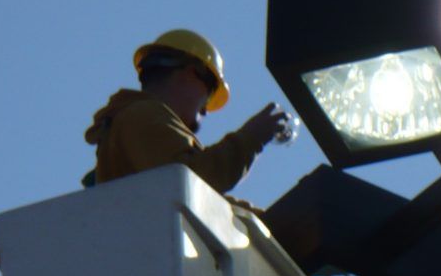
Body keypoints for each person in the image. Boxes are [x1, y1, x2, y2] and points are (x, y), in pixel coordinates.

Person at [83, 29, 289, 212]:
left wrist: (264, 221)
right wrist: (251, 138)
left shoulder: (138, 125)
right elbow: (192, 180)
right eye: (209, 94)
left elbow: (205, 202)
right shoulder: (143, 115)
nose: (206, 111)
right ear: (191, 74)